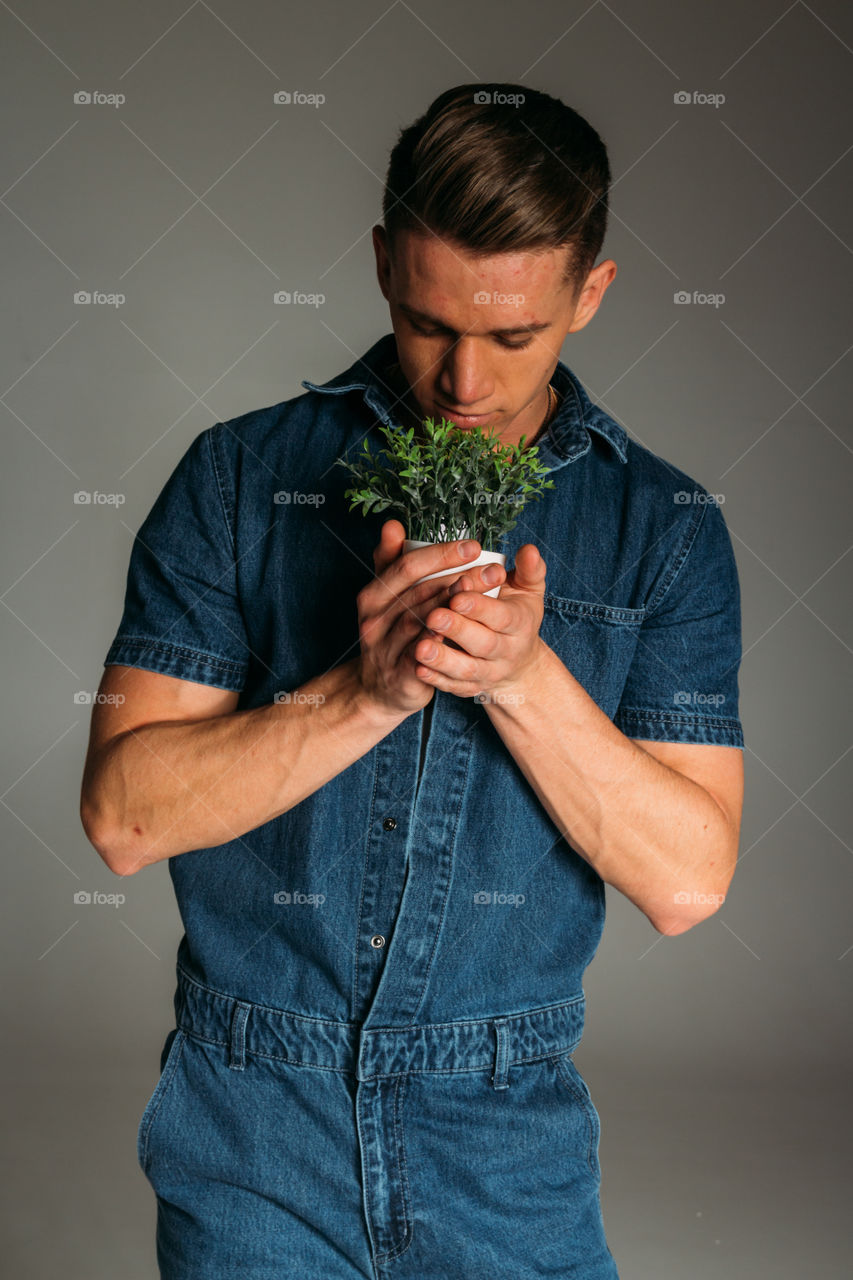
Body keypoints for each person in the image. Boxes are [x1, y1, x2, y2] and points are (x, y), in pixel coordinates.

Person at [80, 82, 744, 1280]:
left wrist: (521, 674)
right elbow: (123, 818)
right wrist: (365, 690)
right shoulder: (238, 478)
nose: (464, 384)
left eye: (513, 336)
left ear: (589, 294)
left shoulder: (668, 528)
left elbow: (690, 878)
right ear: (383, 263)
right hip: (253, 1133)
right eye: (430, 322)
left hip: (506, 1147)